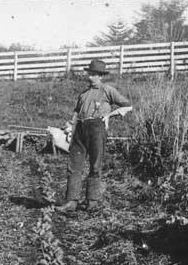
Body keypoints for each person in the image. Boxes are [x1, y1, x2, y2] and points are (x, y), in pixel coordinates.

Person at [56, 59, 132, 213]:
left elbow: (128, 105)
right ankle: (71, 202)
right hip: (80, 129)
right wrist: (70, 124)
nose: (89, 76)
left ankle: (92, 202)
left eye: (93, 74)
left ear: (100, 76)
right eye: (89, 73)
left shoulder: (108, 91)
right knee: (74, 165)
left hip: (97, 128)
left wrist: (110, 115)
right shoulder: (83, 94)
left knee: (95, 165)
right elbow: (76, 111)